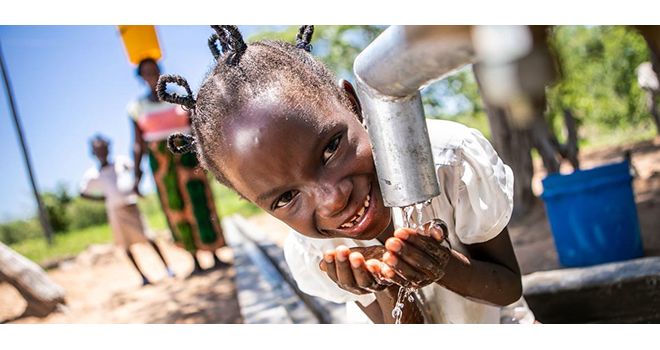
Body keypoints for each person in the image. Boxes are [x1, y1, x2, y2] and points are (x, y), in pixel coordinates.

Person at [156, 25, 534, 323]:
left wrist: (445, 267)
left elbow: (507, 287)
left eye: (330, 148)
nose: (333, 199)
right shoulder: (317, 252)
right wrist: (383, 288)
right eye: (286, 198)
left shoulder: (447, 162)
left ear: (352, 104)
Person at [128, 57, 229, 275]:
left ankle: (213, 252)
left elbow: (197, 127)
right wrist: (137, 177)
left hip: (188, 155)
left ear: (160, 71)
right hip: (161, 163)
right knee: (176, 207)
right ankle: (194, 259)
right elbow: (138, 144)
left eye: (154, 70)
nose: (151, 76)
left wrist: (211, 154)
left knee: (199, 200)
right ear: (141, 77)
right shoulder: (137, 108)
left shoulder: (178, 98)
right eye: (146, 72)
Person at [80, 135, 175, 286]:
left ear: (108, 148)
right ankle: (143, 276)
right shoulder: (93, 175)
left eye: (104, 149)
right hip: (115, 212)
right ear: (94, 153)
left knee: (148, 237)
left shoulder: (121, 162)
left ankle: (168, 267)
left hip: (131, 205)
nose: (102, 153)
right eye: (98, 151)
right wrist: (104, 199)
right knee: (126, 246)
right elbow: (82, 193)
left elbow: (139, 170)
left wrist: (136, 186)